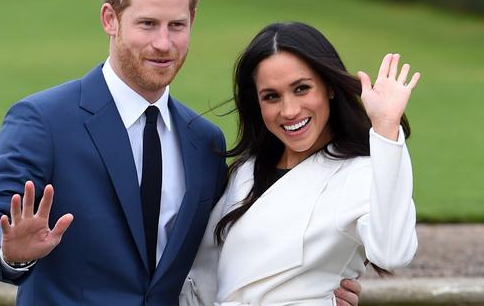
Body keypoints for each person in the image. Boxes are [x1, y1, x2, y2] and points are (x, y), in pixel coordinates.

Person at [0, 0, 361, 305]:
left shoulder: (204, 141)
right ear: (110, 19)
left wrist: (313, 287)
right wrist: (11, 253)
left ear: (192, 21)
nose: (164, 44)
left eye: (177, 26)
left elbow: (229, 249)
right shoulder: (44, 119)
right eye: (148, 24)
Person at [180, 22, 420, 306]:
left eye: (302, 89)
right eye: (271, 96)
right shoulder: (245, 172)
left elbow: (393, 252)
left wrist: (385, 130)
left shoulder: (359, 173)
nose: (290, 110)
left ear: (329, 87)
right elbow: (204, 277)